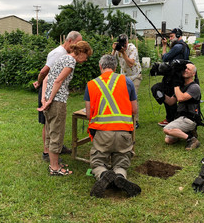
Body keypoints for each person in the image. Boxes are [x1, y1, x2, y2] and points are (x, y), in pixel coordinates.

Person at [84, 54, 141, 198]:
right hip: (123, 132)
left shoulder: (91, 84)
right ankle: (120, 176)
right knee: (122, 161)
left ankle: (103, 174)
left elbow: (89, 116)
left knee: (97, 162)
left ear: (100, 66)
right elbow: (134, 110)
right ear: (115, 67)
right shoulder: (127, 81)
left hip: (102, 133)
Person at [38, 41, 93, 176]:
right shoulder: (70, 61)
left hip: (49, 100)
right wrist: (50, 100)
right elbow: (58, 81)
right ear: (81, 52)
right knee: (57, 133)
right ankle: (55, 168)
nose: (86, 59)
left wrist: (44, 99)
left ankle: (54, 163)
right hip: (57, 101)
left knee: (51, 132)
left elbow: (46, 79)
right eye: (86, 56)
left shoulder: (62, 58)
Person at [33, 31, 82, 161]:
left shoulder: (66, 55)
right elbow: (45, 72)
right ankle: (46, 152)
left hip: (51, 92)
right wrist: (39, 83)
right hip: (48, 91)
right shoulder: (59, 53)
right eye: (78, 43)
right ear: (70, 41)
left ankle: (57, 148)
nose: (79, 46)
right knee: (48, 124)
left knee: (54, 124)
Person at [162, 63, 201, 150]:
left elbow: (180, 98)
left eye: (189, 69)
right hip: (180, 117)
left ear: (193, 74)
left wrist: (176, 85)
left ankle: (192, 140)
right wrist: (161, 95)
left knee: (167, 129)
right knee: (168, 140)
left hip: (190, 119)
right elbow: (171, 102)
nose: (186, 70)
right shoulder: (182, 86)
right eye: (185, 68)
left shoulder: (194, 87)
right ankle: (188, 132)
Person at [157, 28, 190, 127]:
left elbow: (164, 58)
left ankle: (170, 118)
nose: (170, 38)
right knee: (175, 97)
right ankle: (175, 117)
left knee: (167, 96)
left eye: (171, 36)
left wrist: (164, 46)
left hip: (173, 76)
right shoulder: (185, 46)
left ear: (178, 35)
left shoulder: (177, 47)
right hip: (181, 75)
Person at [111, 34, 142, 129]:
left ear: (127, 41)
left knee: (133, 97)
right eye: (122, 43)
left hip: (135, 76)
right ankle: (124, 118)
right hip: (124, 76)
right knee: (123, 97)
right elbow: (111, 60)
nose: (124, 45)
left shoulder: (132, 48)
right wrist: (114, 50)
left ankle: (135, 121)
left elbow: (131, 63)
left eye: (125, 43)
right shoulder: (118, 48)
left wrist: (123, 52)